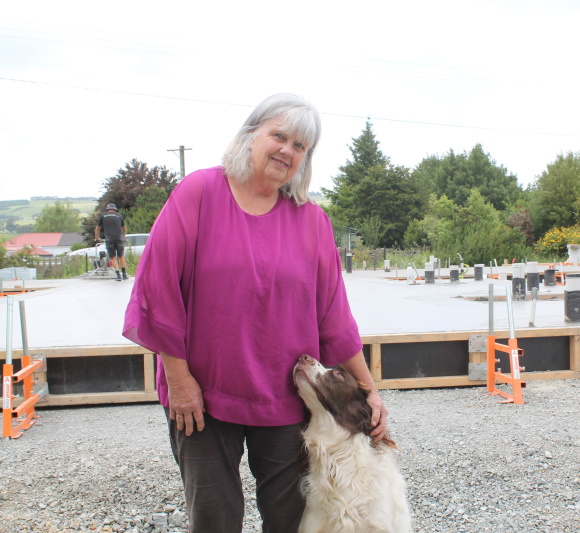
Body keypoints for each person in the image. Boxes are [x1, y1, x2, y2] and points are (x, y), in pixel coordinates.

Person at [122, 93, 387, 533]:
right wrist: (180, 381)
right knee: (214, 519)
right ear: (250, 137)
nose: (287, 150)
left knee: (290, 521)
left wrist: (369, 389)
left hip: (285, 400)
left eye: (300, 145)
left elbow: (334, 319)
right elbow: (158, 287)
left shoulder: (312, 221)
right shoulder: (200, 193)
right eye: (279, 136)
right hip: (202, 398)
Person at [94, 203, 128, 280]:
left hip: (109, 239)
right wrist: (123, 235)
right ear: (115, 209)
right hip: (119, 238)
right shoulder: (119, 215)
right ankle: (124, 275)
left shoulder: (103, 215)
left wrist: (97, 237)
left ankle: (118, 275)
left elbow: (97, 228)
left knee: (113, 257)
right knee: (121, 256)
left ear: (107, 209)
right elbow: (124, 228)